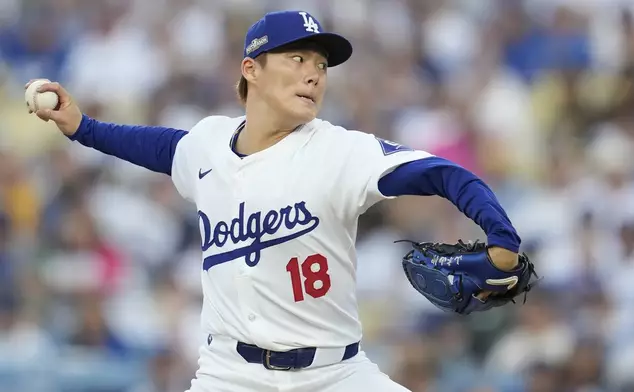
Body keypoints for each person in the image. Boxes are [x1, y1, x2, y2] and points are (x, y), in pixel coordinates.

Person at [28, 10, 521, 392]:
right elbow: (155, 146)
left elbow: (445, 174)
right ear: (252, 70)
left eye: (321, 65)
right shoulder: (206, 144)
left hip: (335, 375)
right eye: (297, 59)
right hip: (229, 374)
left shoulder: (340, 151)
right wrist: (82, 128)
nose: (314, 75)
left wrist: (502, 237)